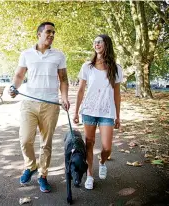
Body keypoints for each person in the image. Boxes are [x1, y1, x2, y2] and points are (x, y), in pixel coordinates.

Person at [9, 22, 70, 193]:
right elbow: (19, 75)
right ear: (39, 34)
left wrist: (64, 97)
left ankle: (43, 175)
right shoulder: (26, 54)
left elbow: (63, 79)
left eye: (53, 33)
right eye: (48, 32)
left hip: (50, 104)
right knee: (25, 139)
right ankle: (30, 166)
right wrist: (14, 87)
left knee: (46, 143)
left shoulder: (59, 55)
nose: (51, 35)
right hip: (29, 103)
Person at [73, 34, 123, 190]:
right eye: (94, 42)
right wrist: (76, 112)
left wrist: (118, 116)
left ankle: (102, 162)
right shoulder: (87, 66)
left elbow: (117, 94)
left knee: (107, 148)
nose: (96, 44)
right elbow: (81, 90)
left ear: (106, 44)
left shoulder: (116, 68)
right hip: (89, 110)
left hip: (107, 112)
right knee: (89, 143)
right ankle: (89, 175)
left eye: (99, 42)